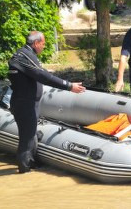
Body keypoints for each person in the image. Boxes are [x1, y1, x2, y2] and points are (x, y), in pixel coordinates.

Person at [8, 31, 85, 173]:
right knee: (26, 138)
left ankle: (30, 163)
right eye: (43, 44)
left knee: (30, 135)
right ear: (36, 43)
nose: (43, 47)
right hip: (25, 104)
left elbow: (38, 73)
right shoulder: (26, 57)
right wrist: (69, 86)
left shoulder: (24, 55)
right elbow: (44, 77)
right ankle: (24, 172)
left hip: (26, 103)